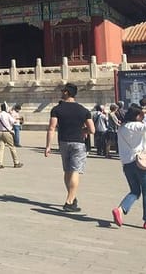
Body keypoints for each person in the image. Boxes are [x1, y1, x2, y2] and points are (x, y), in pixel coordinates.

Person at [44, 83, 95, 212]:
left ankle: (72, 197)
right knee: (75, 171)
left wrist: (48, 146)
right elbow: (92, 130)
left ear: (66, 92)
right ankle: (69, 201)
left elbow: (51, 128)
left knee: (67, 171)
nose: (61, 93)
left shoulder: (56, 109)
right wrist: (84, 131)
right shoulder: (84, 110)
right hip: (78, 142)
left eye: (62, 91)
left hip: (63, 142)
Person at [112, 104, 146, 230]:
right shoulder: (137, 126)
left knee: (135, 191)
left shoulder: (122, 128)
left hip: (127, 163)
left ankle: (120, 209)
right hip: (140, 162)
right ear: (137, 116)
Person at [0, 103, 23, 169]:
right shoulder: (7, 115)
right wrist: (17, 120)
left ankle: (0, 163)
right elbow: (13, 122)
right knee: (12, 147)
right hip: (7, 133)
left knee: (1, 148)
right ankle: (16, 162)